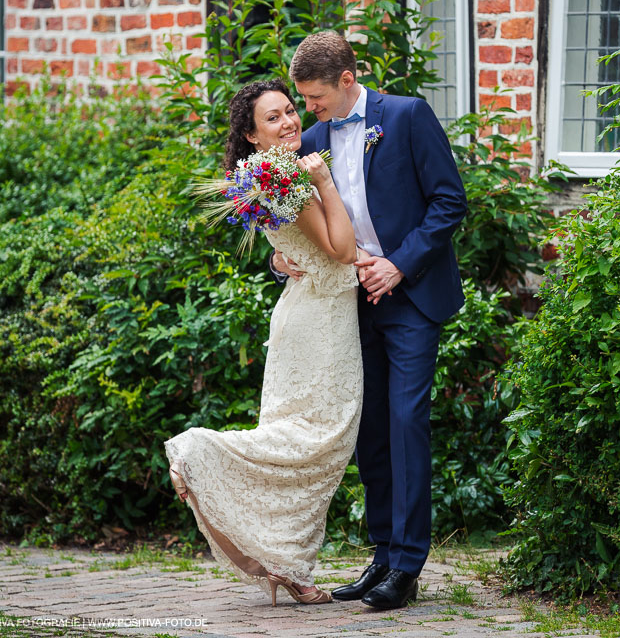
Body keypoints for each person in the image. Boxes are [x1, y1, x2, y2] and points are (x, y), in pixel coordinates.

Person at [272, 31, 467, 611]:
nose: (307, 110)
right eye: (303, 100)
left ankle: (407, 567)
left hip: (410, 298)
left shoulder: (407, 117)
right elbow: (291, 223)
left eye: (313, 98)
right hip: (346, 303)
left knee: (406, 421)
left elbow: (449, 201)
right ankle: (383, 555)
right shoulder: (311, 142)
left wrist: (399, 265)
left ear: (347, 80)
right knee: (371, 430)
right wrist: (281, 257)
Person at [165, 78, 363, 607]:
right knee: (320, 442)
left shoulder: (262, 174)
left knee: (305, 446)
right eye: (272, 118)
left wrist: (279, 257)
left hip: (305, 312)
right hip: (320, 320)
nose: (290, 121)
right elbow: (341, 250)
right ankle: (198, 449)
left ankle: (288, 566)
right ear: (252, 136)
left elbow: (290, 246)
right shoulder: (286, 174)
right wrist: (322, 179)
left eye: (291, 110)